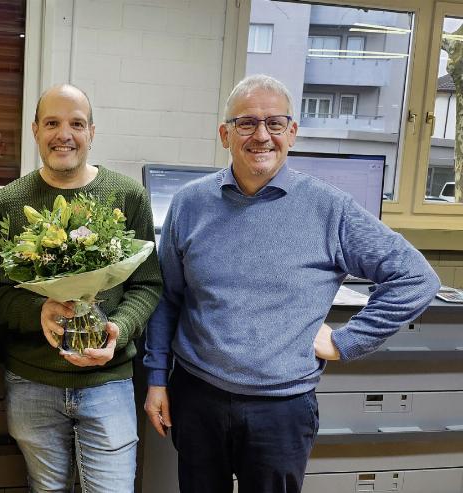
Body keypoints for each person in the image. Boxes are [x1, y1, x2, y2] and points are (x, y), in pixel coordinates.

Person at [143, 74, 440, 493]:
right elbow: (167, 298)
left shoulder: (328, 208)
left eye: (275, 123)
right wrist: (157, 378)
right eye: (246, 123)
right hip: (197, 397)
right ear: (225, 133)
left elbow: (416, 277)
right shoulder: (190, 204)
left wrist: (346, 342)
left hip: (280, 411)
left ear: (292, 132)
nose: (261, 136)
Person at [0, 84, 162, 493]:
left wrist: (119, 328)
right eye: (52, 123)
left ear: (92, 132)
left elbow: (148, 284)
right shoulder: (8, 204)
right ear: (35, 130)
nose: (64, 133)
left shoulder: (127, 195)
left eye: (76, 123)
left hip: (108, 382)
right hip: (32, 384)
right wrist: (38, 312)